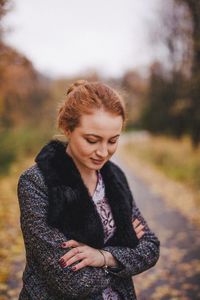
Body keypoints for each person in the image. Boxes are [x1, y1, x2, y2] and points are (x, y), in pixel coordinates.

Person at [17, 80, 160, 300]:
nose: (103, 152)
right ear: (67, 129)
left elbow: (150, 248)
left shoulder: (114, 177)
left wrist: (103, 257)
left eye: (112, 141)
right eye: (92, 140)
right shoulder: (36, 183)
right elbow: (72, 282)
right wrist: (123, 253)